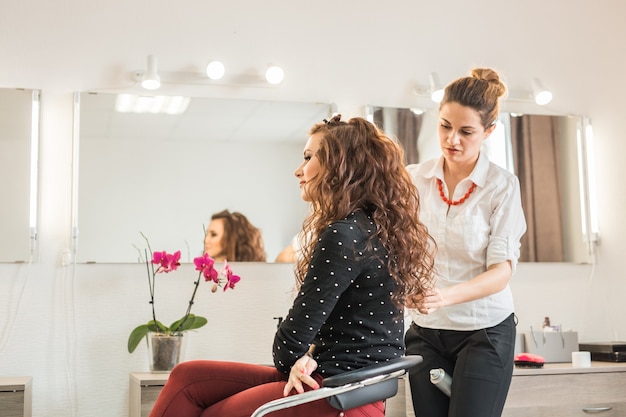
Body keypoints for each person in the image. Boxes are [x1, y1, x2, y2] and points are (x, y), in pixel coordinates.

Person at [148, 115, 435, 417]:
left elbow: (288, 346)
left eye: (309, 158)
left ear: (340, 165)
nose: (298, 170)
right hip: (350, 386)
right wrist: (305, 356)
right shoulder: (375, 230)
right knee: (186, 377)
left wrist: (300, 356)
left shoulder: (343, 234)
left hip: (338, 391)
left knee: (208, 411)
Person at [404, 68, 527, 417]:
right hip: (426, 333)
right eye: (445, 125)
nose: (452, 139)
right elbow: (397, 247)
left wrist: (444, 295)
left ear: (488, 132)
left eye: (466, 131)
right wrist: (409, 286)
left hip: (484, 332)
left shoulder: (501, 187)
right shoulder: (414, 179)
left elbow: (501, 272)